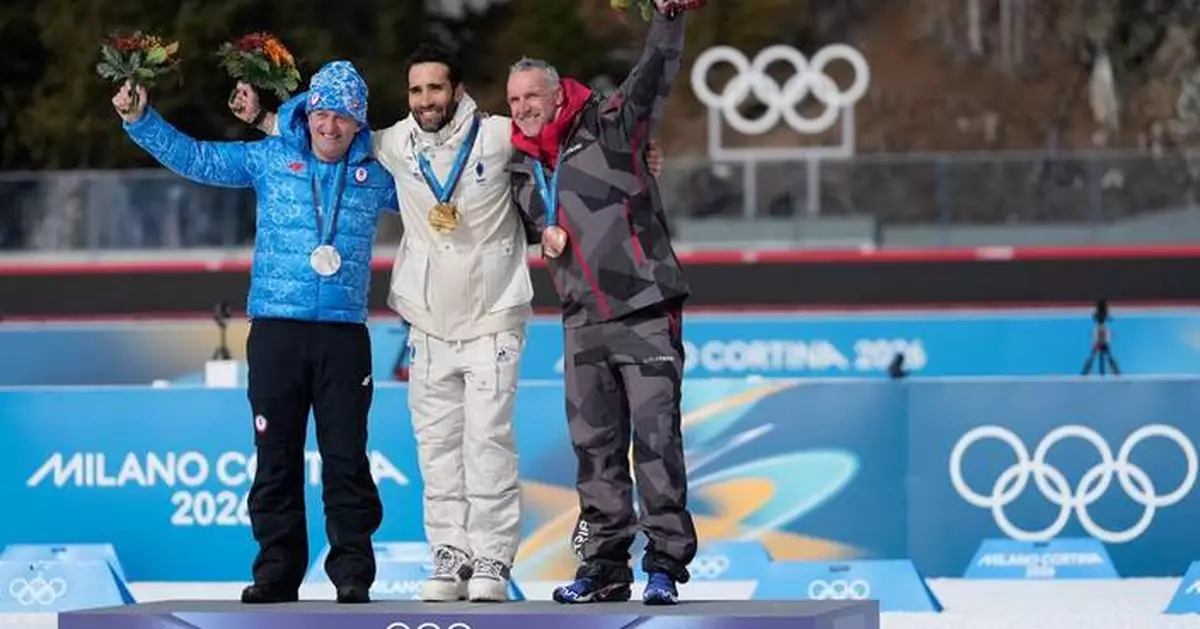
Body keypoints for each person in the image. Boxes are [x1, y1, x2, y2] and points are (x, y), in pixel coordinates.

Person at [232, 45, 668, 603]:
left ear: (456, 90)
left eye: (435, 88)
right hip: (428, 322)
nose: (425, 99)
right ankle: (450, 554)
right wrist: (266, 120)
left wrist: (635, 152)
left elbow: (562, 135)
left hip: (492, 319)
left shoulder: (497, 135)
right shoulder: (391, 144)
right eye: (415, 91)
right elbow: (327, 134)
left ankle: (490, 556)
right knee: (436, 448)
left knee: (488, 443)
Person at [114, 60, 397, 605]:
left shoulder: (377, 175)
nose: (331, 128)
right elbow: (198, 159)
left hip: (343, 335)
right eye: (323, 114)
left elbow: (441, 197)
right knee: (276, 457)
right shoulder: (271, 159)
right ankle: (276, 571)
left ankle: (353, 573)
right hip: (275, 330)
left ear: (360, 125)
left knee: (346, 459)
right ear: (308, 112)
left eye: (344, 119)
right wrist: (143, 120)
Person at [505, 0, 697, 606]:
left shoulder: (613, 125)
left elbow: (655, 74)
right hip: (581, 320)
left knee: (657, 442)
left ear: (558, 94)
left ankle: (665, 563)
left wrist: (667, 18)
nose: (522, 110)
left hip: (642, 308)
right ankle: (606, 566)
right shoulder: (516, 164)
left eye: (531, 98)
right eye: (512, 102)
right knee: (595, 450)